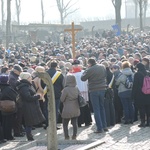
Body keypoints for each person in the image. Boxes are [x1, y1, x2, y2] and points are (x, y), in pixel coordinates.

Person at [81, 58, 108, 133]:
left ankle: (99, 128)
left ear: (89, 63)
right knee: (102, 107)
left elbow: (83, 78)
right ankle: (104, 126)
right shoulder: (102, 66)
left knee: (96, 109)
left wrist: (87, 70)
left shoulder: (90, 69)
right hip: (102, 88)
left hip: (94, 89)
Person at [16, 72, 45, 141]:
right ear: (27, 78)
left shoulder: (27, 85)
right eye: (30, 77)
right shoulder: (24, 86)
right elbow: (27, 97)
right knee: (28, 122)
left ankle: (30, 135)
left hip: (30, 105)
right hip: (27, 106)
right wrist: (37, 96)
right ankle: (29, 136)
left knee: (30, 121)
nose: (31, 78)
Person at [60, 74, 80, 140]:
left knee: (65, 123)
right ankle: (74, 135)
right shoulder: (76, 88)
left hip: (67, 108)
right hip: (75, 107)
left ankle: (66, 136)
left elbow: (62, 99)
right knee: (75, 123)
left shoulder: (66, 89)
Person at [46, 60, 64, 129]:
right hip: (56, 94)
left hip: (47, 93)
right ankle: (54, 125)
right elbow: (62, 85)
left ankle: (48, 124)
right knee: (55, 109)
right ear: (56, 66)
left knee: (48, 109)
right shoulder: (59, 74)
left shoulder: (46, 73)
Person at [8, 64, 24, 137]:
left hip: (18, 99)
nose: (20, 73)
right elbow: (14, 87)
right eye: (19, 71)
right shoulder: (12, 78)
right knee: (17, 117)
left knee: (19, 117)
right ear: (15, 71)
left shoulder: (15, 76)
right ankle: (17, 132)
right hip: (16, 99)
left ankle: (19, 130)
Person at [132, 63, 150, 127]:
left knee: (141, 108)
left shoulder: (137, 74)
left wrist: (132, 95)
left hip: (140, 94)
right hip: (148, 93)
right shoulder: (148, 73)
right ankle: (148, 122)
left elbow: (135, 85)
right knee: (148, 108)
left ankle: (142, 122)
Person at [0, 74, 17, 140]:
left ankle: (3, 136)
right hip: (9, 108)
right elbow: (15, 96)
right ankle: (8, 136)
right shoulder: (8, 88)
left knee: (3, 123)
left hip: (1, 108)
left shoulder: (2, 88)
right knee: (8, 123)